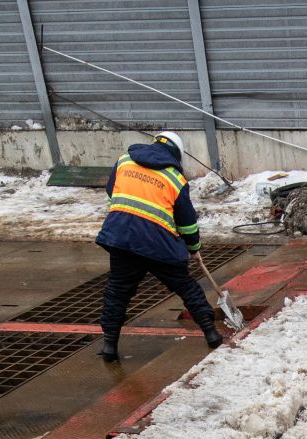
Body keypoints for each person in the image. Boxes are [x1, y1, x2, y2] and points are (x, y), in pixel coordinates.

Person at [93, 131, 222, 362]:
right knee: (185, 286)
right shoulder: (175, 178)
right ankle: (211, 334)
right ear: (176, 154)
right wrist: (194, 247)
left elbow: (112, 191)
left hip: (122, 238)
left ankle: (110, 345)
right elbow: (187, 222)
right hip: (158, 244)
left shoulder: (124, 161)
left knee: (117, 291)